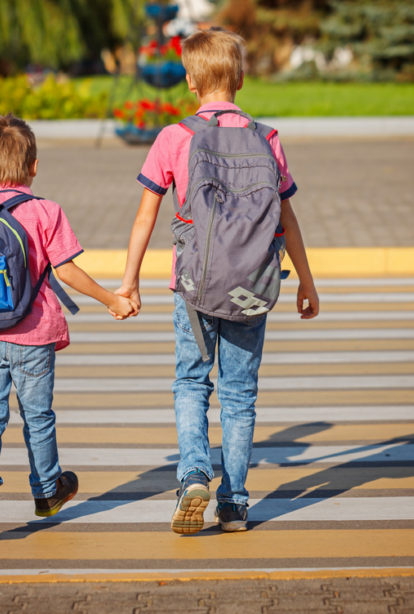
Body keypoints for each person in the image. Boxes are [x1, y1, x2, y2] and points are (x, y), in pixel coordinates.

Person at [116, 28, 320, 534]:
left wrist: (129, 281)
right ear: (242, 79)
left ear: (189, 80)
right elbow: (287, 220)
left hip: (193, 288)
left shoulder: (174, 137)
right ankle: (234, 504)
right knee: (240, 393)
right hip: (253, 285)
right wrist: (307, 283)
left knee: (191, 382)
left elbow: (145, 217)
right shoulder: (266, 138)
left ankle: (192, 477)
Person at [0, 114, 139, 541]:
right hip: (33, 335)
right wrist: (112, 299)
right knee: (37, 417)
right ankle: (46, 491)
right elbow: (69, 272)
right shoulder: (46, 211)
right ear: (35, 166)